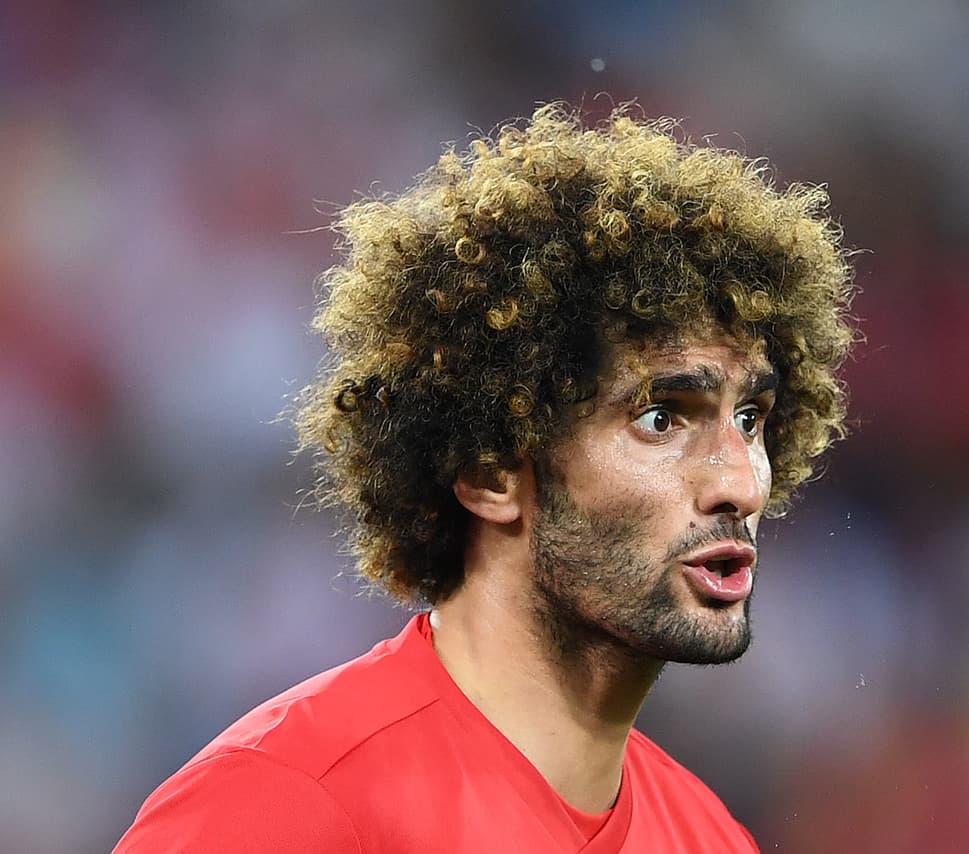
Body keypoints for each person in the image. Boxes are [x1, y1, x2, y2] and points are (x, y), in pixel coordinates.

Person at [115, 103, 857, 852]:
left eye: (753, 419)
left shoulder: (713, 839)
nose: (740, 484)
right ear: (493, 470)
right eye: (662, 418)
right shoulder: (281, 807)